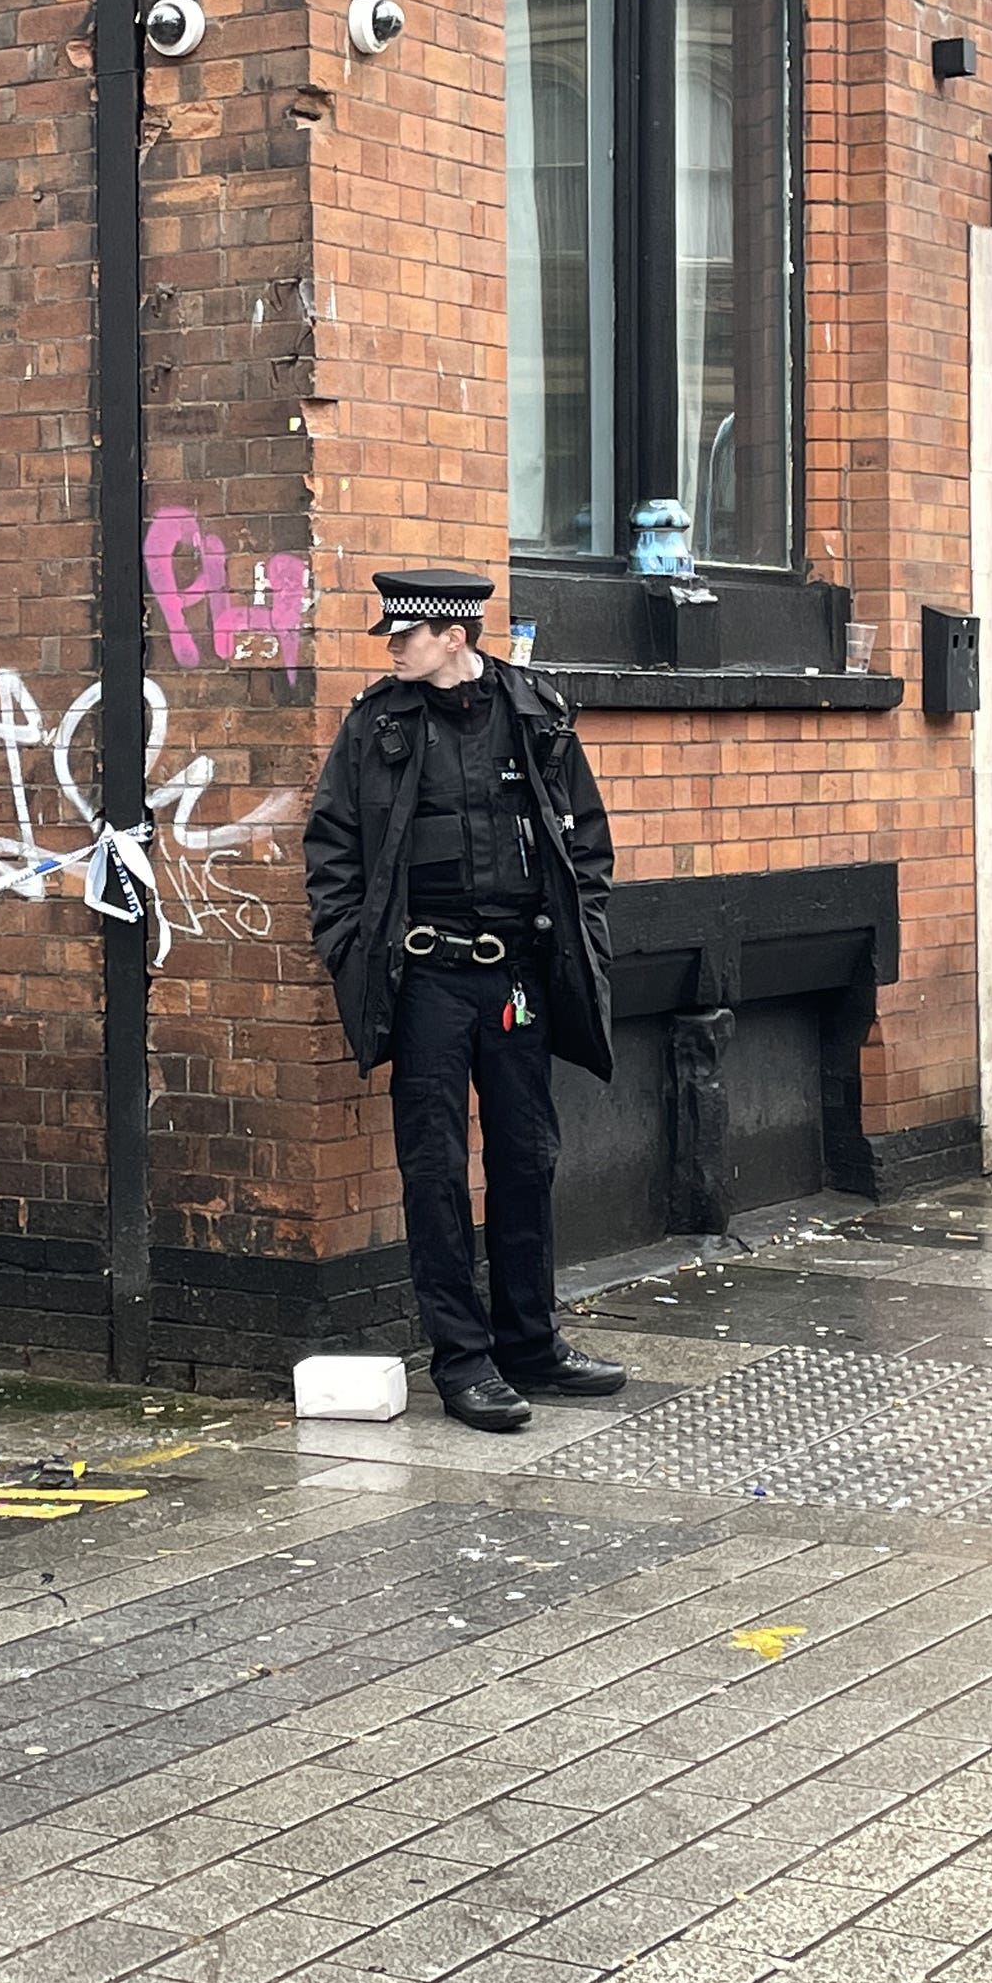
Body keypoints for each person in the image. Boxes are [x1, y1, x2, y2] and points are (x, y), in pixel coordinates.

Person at [304, 568, 626, 1432]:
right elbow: (331, 842)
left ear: (454, 636)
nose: (392, 648)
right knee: (435, 1168)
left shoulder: (536, 713)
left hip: (517, 973)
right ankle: (463, 1362)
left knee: (528, 1157)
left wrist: (581, 924)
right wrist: (344, 943)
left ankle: (532, 1345)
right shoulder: (378, 724)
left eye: (404, 636)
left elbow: (585, 838)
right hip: (429, 981)